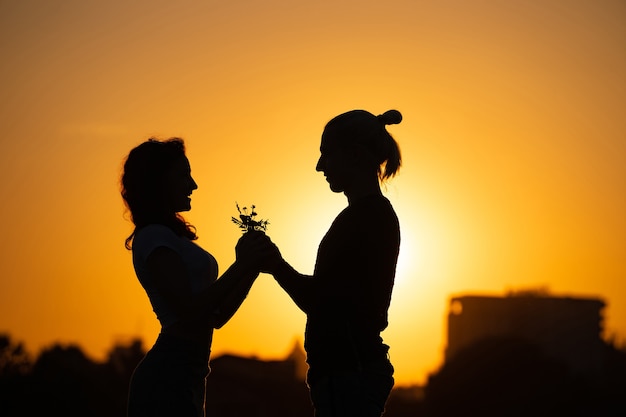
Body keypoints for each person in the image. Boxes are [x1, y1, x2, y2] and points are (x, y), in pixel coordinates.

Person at [262, 109, 403, 417]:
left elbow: (323, 302)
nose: (319, 166)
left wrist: (274, 264)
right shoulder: (367, 216)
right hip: (349, 373)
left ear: (353, 154)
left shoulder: (364, 219)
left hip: (349, 374)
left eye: (327, 154)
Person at [120, 137, 268, 417]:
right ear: (159, 181)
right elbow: (189, 310)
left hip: (189, 373)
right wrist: (241, 265)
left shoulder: (170, 237)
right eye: (183, 174)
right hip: (166, 377)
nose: (193, 184)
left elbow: (216, 316)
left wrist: (252, 268)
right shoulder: (153, 237)